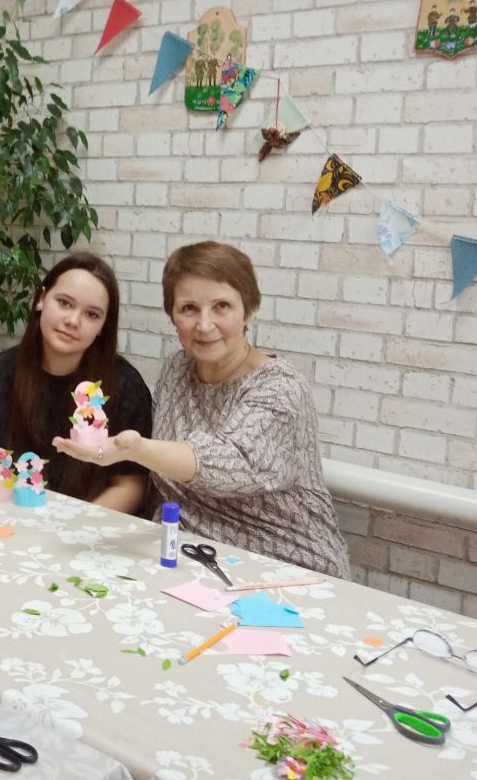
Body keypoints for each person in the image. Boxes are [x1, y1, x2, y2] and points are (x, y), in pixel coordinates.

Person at [53, 241, 350, 578]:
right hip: (190, 557)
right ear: (172, 315)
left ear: (249, 310)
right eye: (189, 308)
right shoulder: (177, 370)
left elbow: (234, 464)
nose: (205, 325)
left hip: (285, 562)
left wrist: (137, 449)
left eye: (222, 306)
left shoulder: (281, 387)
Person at [0, 253, 152, 513]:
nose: (73, 321)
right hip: (7, 516)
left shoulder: (126, 385)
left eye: (92, 314)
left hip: (88, 524)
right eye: (64, 303)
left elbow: (130, 484)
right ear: (41, 299)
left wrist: (72, 525)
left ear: (103, 326)